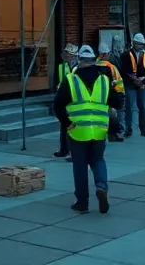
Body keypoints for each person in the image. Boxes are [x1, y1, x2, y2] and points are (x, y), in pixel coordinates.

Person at [53, 46, 124, 214]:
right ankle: (101, 187)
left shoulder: (71, 79)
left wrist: (67, 123)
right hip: (99, 130)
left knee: (80, 166)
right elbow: (118, 102)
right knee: (98, 160)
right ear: (94, 61)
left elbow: (58, 105)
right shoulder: (104, 80)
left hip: (78, 131)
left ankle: (82, 202)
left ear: (79, 61)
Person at [121, 33, 145, 137]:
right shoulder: (126, 55)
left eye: (142, 44)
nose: (140, 46)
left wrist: (144, 80)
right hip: (130, 84)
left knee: (142, 106)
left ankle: (144, 129)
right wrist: (133, 79)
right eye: (138, 44)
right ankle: (128, 129)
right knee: (129, 106)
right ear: (134, 43)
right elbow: (123, 71)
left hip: (142, 84)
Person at [53, 44, 78, 159]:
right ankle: (64, 149)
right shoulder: (62, 66)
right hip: (64, 99)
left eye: (67, 54)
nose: (65, 55)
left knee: (73, 126)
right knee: (64, 125)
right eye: (65, 53)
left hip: (74, 100)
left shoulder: (77, 68)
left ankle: (73, 151)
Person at [96, 50, 126, 142]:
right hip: (110, 95)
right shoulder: (111, 67)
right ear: (106, 55)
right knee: (113, 115)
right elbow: (118, 81)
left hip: (97, 96)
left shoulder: (93, 66)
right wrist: (121, 93)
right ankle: (112, 134)